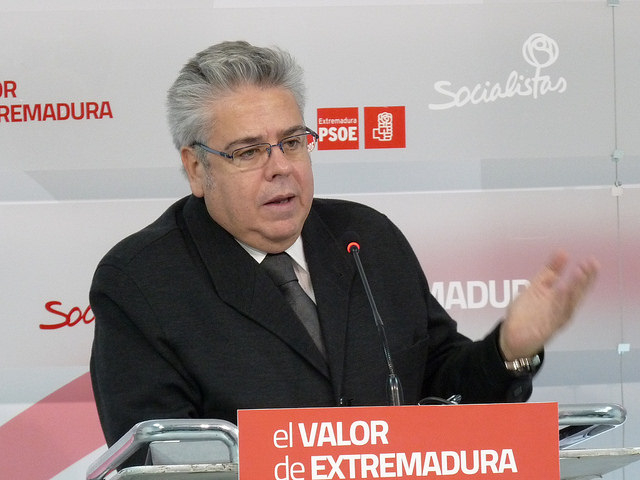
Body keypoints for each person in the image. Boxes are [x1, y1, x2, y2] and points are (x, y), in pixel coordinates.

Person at [89, 40, 599, 454]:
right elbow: (159, 460)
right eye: (248, 151)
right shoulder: (141, 281)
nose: (280, 167)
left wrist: (508, 351)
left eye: (292, 142)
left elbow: (441, 389)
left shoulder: (365, 238)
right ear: (197, 169)